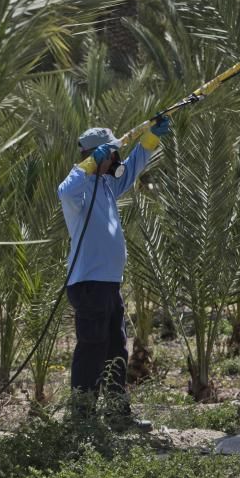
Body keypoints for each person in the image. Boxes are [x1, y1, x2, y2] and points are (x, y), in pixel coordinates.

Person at [56, 117, 171, 431]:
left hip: (109, 284)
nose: (117, 160)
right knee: (91, 350)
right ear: (96, 155)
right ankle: (82, 418)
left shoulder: (107, 184)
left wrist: (149, 138)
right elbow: (63, 191)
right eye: (112, 154)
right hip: (88, 283)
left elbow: (133, 167)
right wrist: (91, 164)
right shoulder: (79, 189)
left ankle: (118, 415)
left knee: (116, 350)